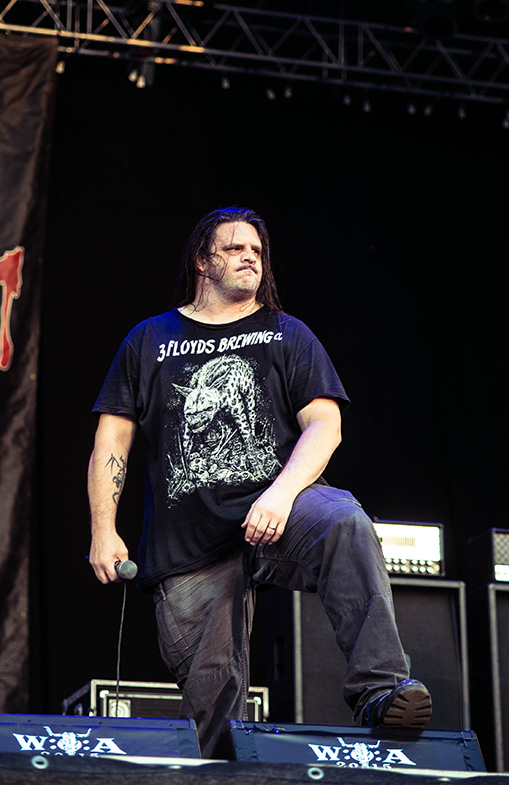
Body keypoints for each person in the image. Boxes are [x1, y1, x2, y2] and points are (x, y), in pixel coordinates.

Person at [88, 206, 432, 758]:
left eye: (257, 250)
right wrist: (103, 530)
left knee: (343, 520)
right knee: (213, 715)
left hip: (277, 509)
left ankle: (381, 689)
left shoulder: (286, 333)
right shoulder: (149, 339)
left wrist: (281, 493)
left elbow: (325, 425)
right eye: (234, 248)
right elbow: (112, 440)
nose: (250, 257)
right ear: (202, 261)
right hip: (189, 545)